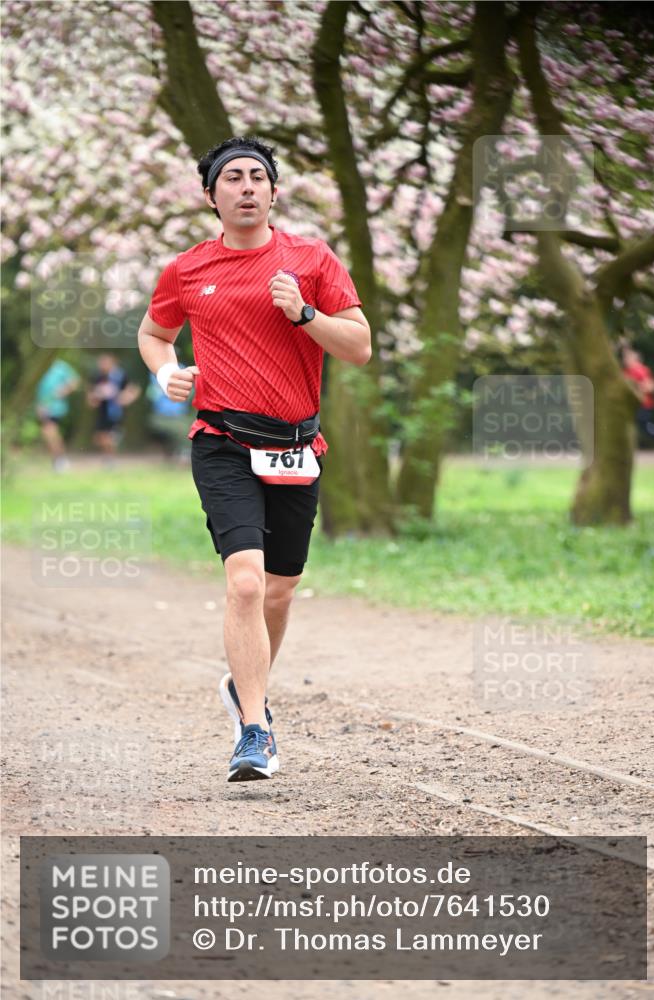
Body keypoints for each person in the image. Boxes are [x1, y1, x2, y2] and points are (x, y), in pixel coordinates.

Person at [138, 136, 371, 782]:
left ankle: (246, 684)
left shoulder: (311, 259)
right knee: (243, 580)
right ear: (210, 196)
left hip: (296, 445)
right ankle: (253, 728)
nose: (245, 187)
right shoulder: (186, 269)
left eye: (256, 177)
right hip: (222, 442)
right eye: (231, 178)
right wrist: (166, 375)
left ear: (274, 191)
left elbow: (358, 347)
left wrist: (304, 314)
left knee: (279, 587)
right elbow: (154, 334)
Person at [87, 353, 141, 460]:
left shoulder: (121, 376)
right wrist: (95, 397)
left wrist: (125, 398)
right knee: (99, 438)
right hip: (102, 411)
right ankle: (110, 453)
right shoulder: (98, 377)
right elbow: (91, 394)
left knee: (108, 437)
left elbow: (134, 389)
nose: (102, 364)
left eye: (105, 362)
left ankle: (110, 459)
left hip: (116, 412)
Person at [35, 358, 81, 471]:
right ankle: (58, 460)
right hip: (43, 406)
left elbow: (75, 381)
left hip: (55, 407)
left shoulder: (60, 366)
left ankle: (60, 460)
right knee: (49, 433)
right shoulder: (39, 364)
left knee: (49, 431)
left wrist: (64, 390)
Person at [622, 345, 654, 448]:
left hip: (644, 404)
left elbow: (652, 386)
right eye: (625, 357)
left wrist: (637, 390)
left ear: (634, 358)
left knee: (643, 425)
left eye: (628, 357)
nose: (625, 359)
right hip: (635, 405)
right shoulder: (627, 371)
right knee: (639, 426)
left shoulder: (639, 369)